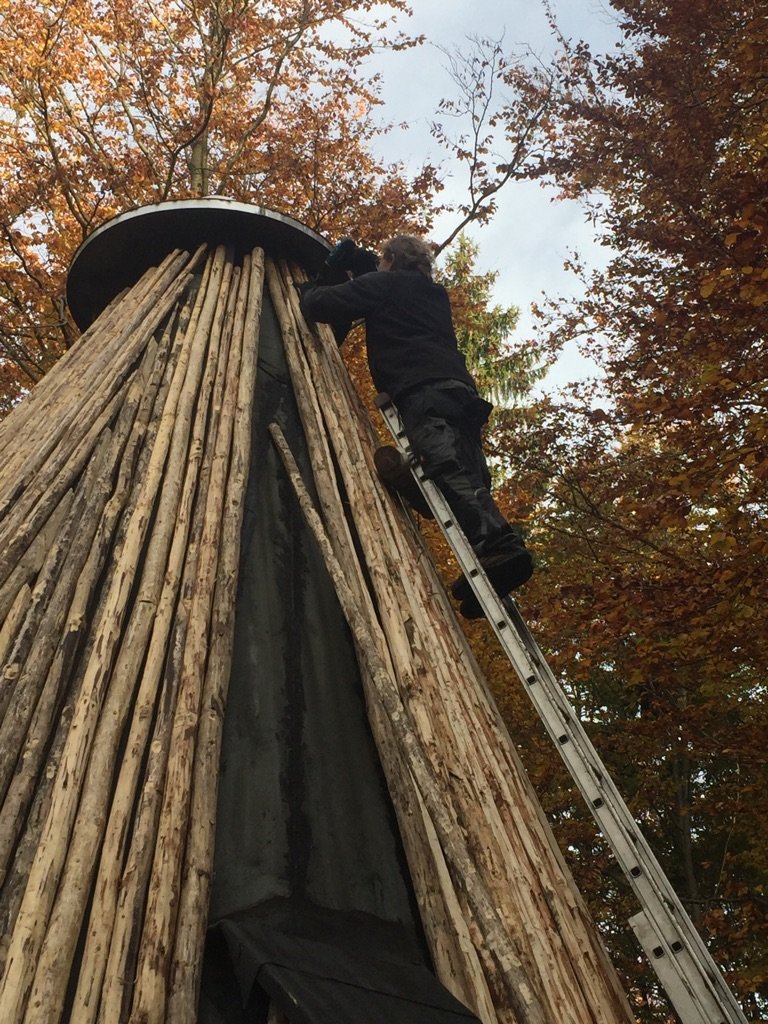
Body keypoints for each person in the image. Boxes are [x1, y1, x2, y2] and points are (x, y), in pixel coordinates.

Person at [299, 234, 532, 614]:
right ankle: (493, 561)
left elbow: (322, 304)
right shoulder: (431, 293)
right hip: (458, 390)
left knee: (444, 465)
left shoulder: (385, 284)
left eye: (380, 259)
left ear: (389, 259)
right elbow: (382, 287)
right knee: (470, 471)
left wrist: (313, 285)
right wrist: (360, 264)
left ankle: (499, 547)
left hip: (421, 390)